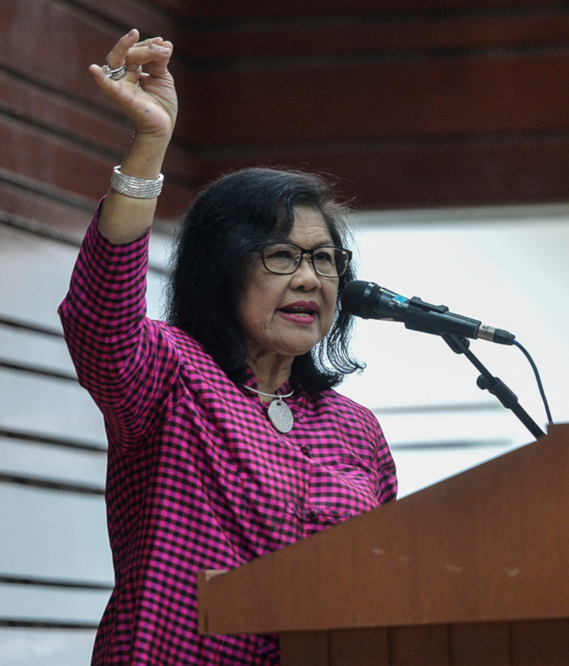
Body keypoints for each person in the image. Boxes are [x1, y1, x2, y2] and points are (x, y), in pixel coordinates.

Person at [60, 30, 397, 665]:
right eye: (281, 256)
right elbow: (100, 317)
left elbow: (383, 590)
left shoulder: (358, 431)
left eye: (324, 260)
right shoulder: (168, 376)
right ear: (222, 268)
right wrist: (150, 145)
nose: (309, 278)